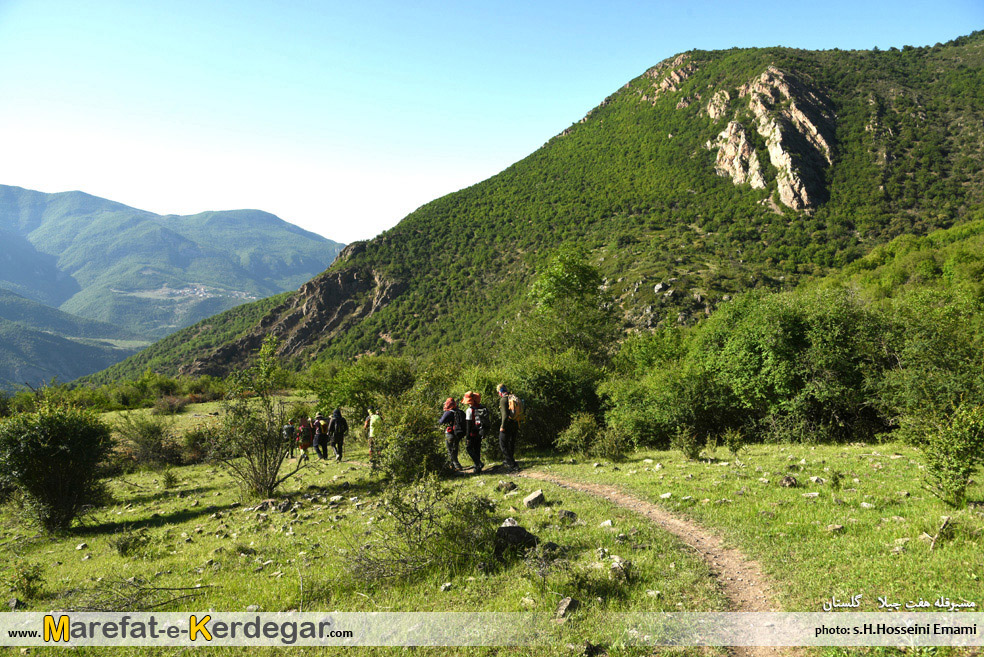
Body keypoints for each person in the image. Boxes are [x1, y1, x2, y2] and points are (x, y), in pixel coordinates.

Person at [461, 391, 487, 473]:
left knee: (469, 448)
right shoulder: (481, 407)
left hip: (472, 433)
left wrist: (467, 437)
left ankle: (478, 463)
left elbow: (468, 425)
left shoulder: (469, 410)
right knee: (477, 449)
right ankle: (477, 468)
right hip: (480, 431)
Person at [438, 397, 465, 471]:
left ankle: (457, 466)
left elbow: (441, 421)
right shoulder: (459, 411)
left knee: (450, 451)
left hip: (450, 434)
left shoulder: (448, 412)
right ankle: (451, 466)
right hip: (458, 433)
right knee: (454, 449)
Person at [497, 383, 520, 470]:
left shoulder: (503, 400)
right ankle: (509, 460)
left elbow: (505, 415)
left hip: (508, 424)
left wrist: (502, 426)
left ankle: (512, 464)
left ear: (500, 391)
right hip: (515, 423)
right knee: (511, 443)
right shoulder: (512, 397)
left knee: (502, 444)